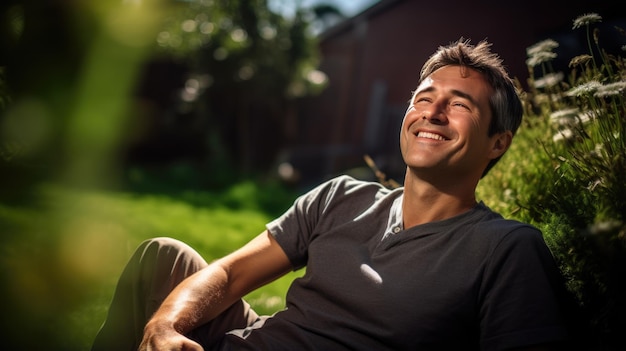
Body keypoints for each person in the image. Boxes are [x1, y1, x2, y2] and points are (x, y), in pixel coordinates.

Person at [92, 39, 571, 351]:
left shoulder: (506, 249)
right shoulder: (341, 197)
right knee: (163, 257)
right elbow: (232, 272)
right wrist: (166, 325)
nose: (434, 112)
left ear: (497, 142)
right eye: (424, 98)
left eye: (459, 104)